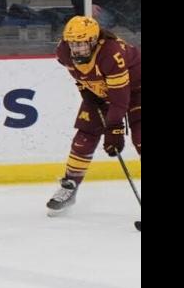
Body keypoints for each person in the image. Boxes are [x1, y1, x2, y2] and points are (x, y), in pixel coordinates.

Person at [45, 16, 141, 215]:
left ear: (94, 41)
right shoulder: (63, 51)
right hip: (104, 91)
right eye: (73, 43)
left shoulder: (111, 54)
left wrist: (114, 129)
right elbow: (80, 76)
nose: (76, 49)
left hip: (137, 89)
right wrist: (86, 92)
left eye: (81, 43)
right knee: (84, 136)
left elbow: (119, 100)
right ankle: (70, 185)